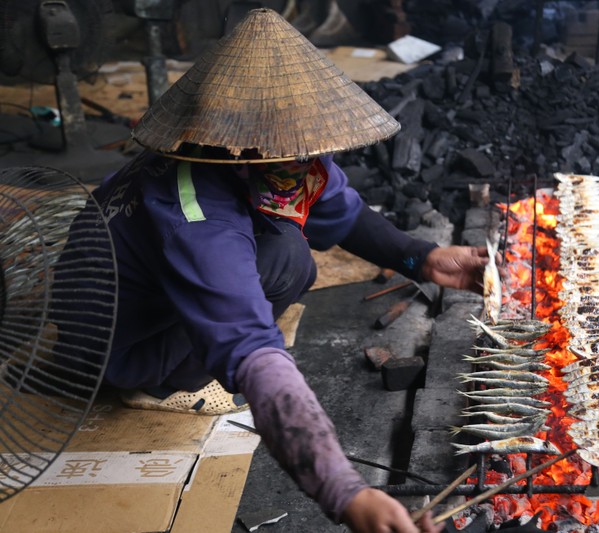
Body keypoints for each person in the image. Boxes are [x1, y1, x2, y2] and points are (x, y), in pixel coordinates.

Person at [55, 8, 491, 533]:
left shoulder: (276, 158)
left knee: (285, 245)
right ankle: (163, 382)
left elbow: (342, 211)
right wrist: (345, 492)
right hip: (114, 343)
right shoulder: (197, 218)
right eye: (294, 158)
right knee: (287, 262)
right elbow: (252, 349)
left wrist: (420, 258)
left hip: (147, 290)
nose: (311, 168)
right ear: (241, 147)